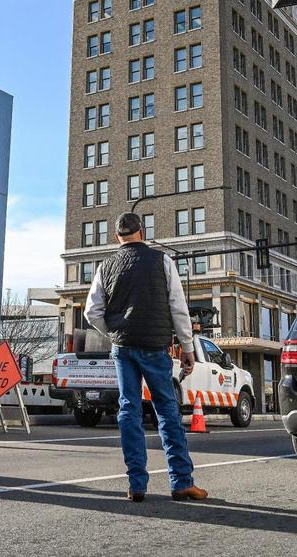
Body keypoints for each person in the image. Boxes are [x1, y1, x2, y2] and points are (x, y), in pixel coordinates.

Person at [84, 212, 208, 503]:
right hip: (154, 345)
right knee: (167, 411)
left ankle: (136, 485)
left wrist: (113, 332)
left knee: (129, 410)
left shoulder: (106, 265)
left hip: (123, 347)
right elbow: (178, 307)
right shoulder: (162, 260)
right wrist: (188, 348)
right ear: (142, 231)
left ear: (117, 237)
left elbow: (92, 312)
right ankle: (181, 483)